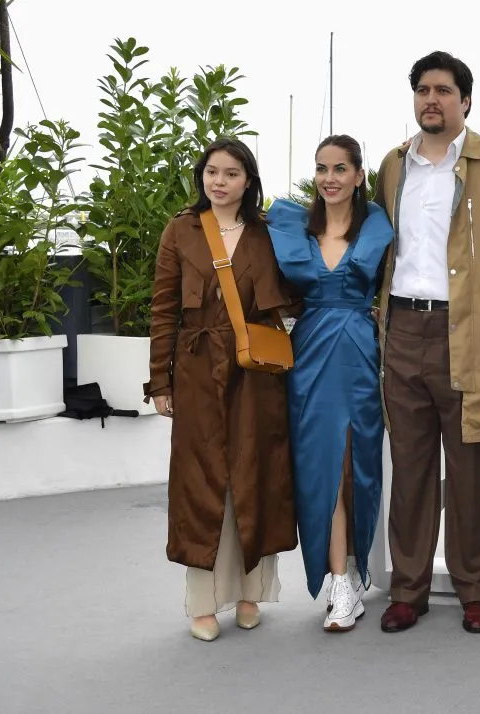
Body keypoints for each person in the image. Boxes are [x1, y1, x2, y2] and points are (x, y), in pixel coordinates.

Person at [371, 50, 480, 634]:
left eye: (444, 91)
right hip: (403, 331)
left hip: (472, 334)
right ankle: (408, 590)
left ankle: (475, 590)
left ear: (465, 101)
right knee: (411, 470)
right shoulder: (394, 166)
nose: (432, 100)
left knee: (471, 472)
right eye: (423, 90)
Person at [144, 137, 298, 642]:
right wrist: (159, 381)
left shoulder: (268, 232)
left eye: (232, 173)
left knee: (255, 474)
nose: (220, 182)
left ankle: (251, 593)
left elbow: (295, 293)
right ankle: (203, 603)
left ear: (248, 181)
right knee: (203, 482)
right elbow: (163, 309)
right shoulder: (180, 231)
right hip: (196, 371)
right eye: (212, 172)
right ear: (201, 176)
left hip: (255, 373)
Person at [266, 135, 394, 632]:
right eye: (322, 168)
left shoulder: (378, 225)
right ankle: (340, 578)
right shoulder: (293, 225)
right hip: (312, 350)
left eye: (341, 168)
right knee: (321, 466)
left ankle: (351, 572)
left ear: (359, 176)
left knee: (353, 463)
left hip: (360, 350)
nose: (330, 178)